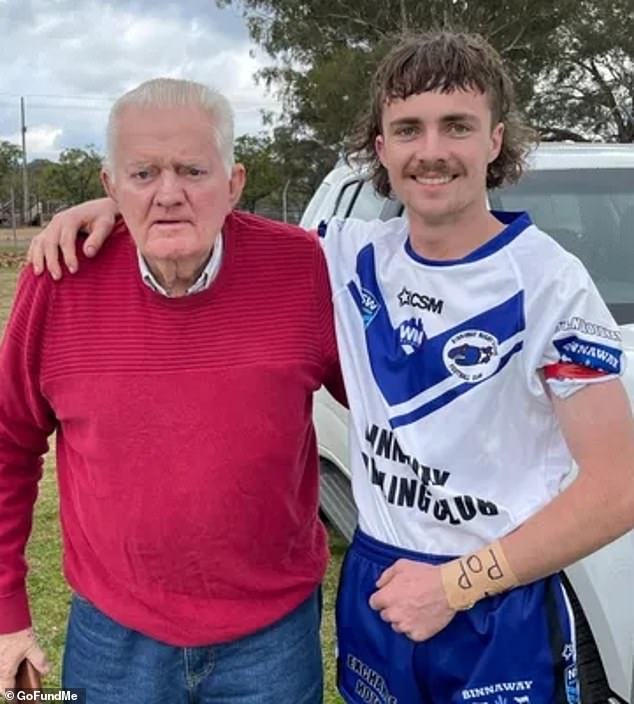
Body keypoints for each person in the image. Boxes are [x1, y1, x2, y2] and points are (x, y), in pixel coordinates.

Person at [26, 33, 634, 704]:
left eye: (456, 126)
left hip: (491, 599)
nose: (431, 151)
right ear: (382, 149)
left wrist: (460, 583)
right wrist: (123, 205)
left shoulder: (552, 284)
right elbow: (195, 209)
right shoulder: (343, 255)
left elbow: (620, 485)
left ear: (495, 140)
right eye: (408, 129)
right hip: (377, 587)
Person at [0, 78, 345, 703]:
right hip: (111, 637)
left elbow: (387, 401)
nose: (169, 194)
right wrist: (5, 614)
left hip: (273, 635)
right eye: (143, 174)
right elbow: (7, 444)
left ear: (235, 183)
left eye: (192, 170)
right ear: (109, 187)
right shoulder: (59, 278)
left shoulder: (303, 267)